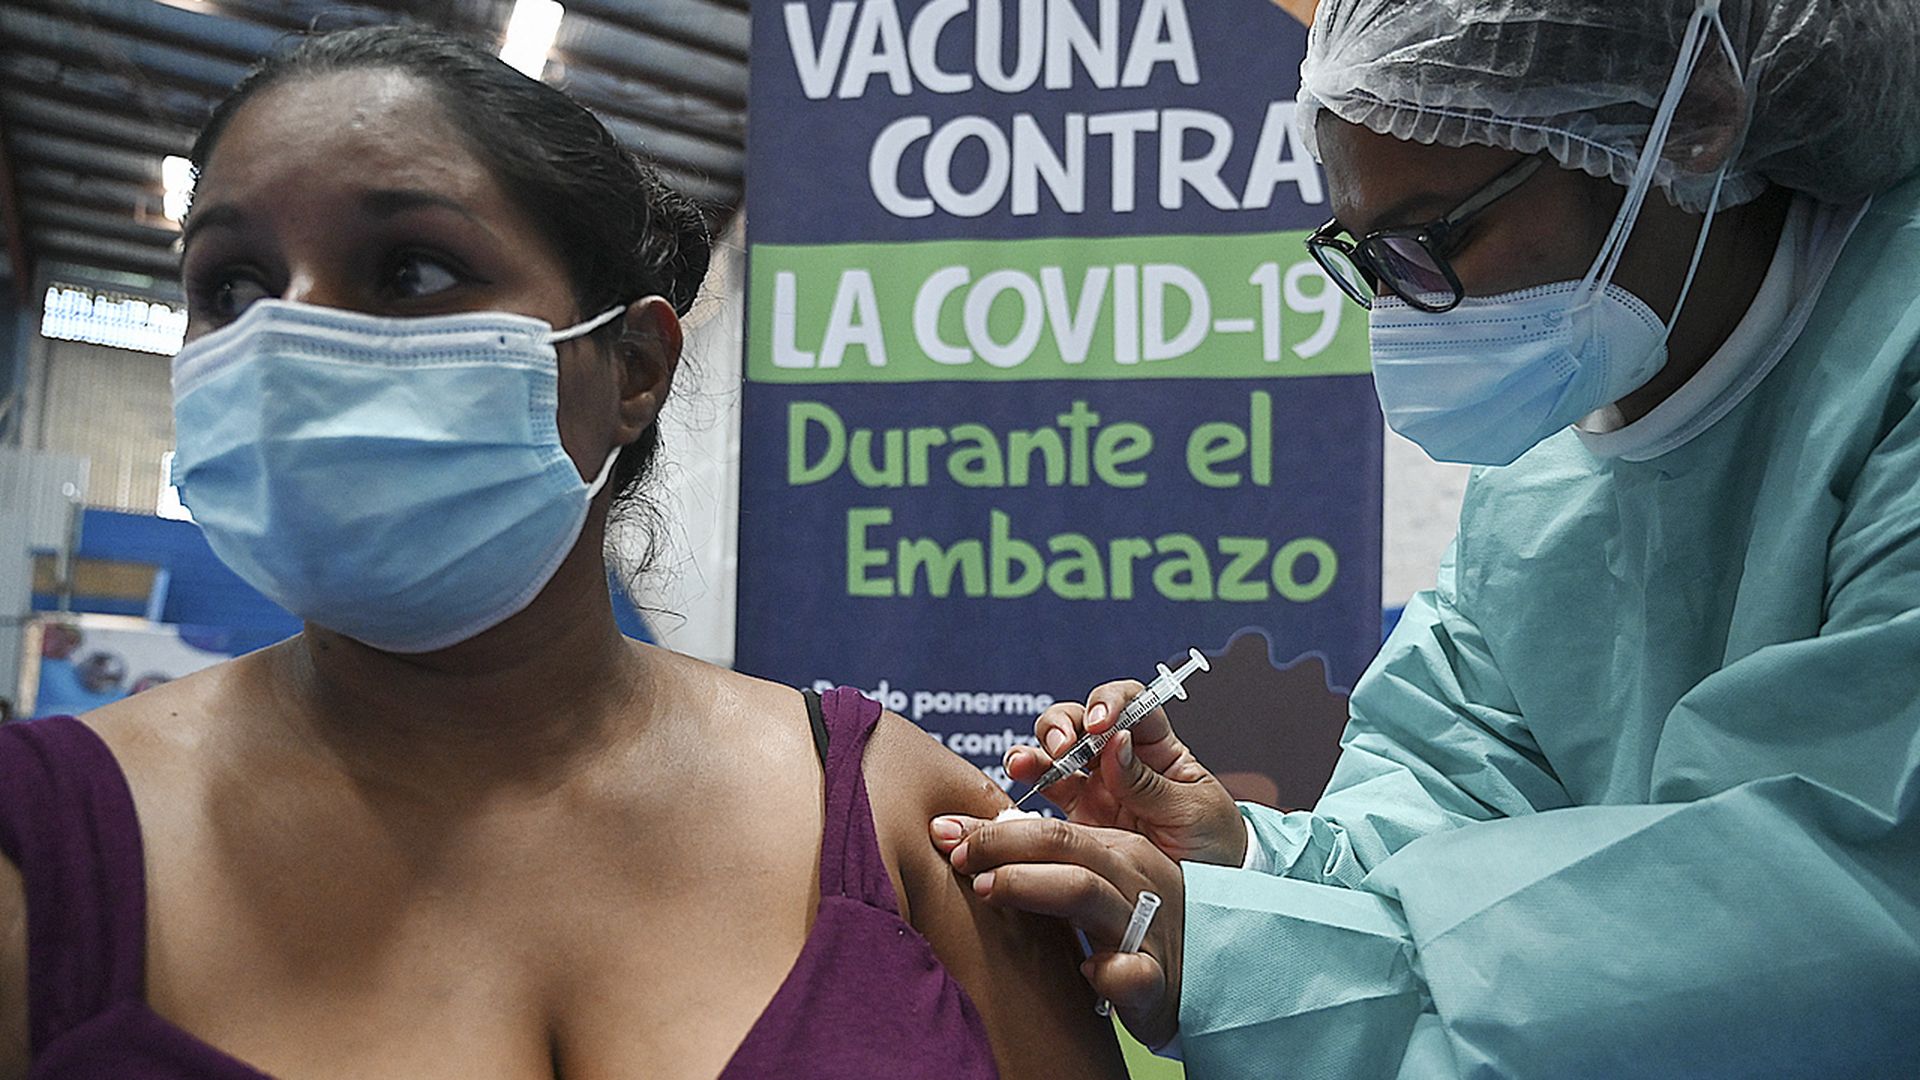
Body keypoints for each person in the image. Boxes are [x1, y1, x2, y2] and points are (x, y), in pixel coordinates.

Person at [0, 27, 1126, 1080]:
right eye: (230, 287)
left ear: (634, 365)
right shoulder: (43, 858)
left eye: (410, 272)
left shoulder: (896, 820)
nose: (290, 342)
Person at [932, 1, 1920, 1076]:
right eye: (1364, 253)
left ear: (1692, 117)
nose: (1402, 312)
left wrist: (1235, 959)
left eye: (1430, 239)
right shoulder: (1552, 469)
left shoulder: (1891, 371)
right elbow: (1447, 808)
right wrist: (1246, 860)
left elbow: (1822, 920)